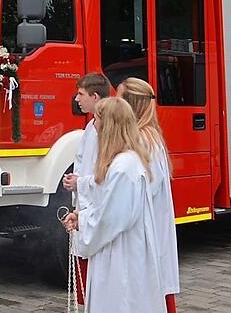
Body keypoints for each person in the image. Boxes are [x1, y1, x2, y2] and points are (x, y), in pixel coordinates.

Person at [62, 97, 163, 313]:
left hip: (120, 255)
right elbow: (109, 206)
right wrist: (83, 216)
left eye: (98, 119)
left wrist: (84, 222)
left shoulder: (124, 167)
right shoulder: (123, 162)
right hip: (119, 249)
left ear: (109, 126)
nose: (94, 124)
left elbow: (112, 220)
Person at [118, 77, 179, 312]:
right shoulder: (147, 135)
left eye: (120, 99)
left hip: (145, 231)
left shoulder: (143, 140)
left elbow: (143, 189)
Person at [61, 71, 111, 304]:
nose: (76, 99)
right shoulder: (91, 126)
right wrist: (74, 180)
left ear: (96, 96)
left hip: (96, 207)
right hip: (84, 203)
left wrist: (80, 182)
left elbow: (106, 174)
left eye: (81, 94)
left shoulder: (106, 129)